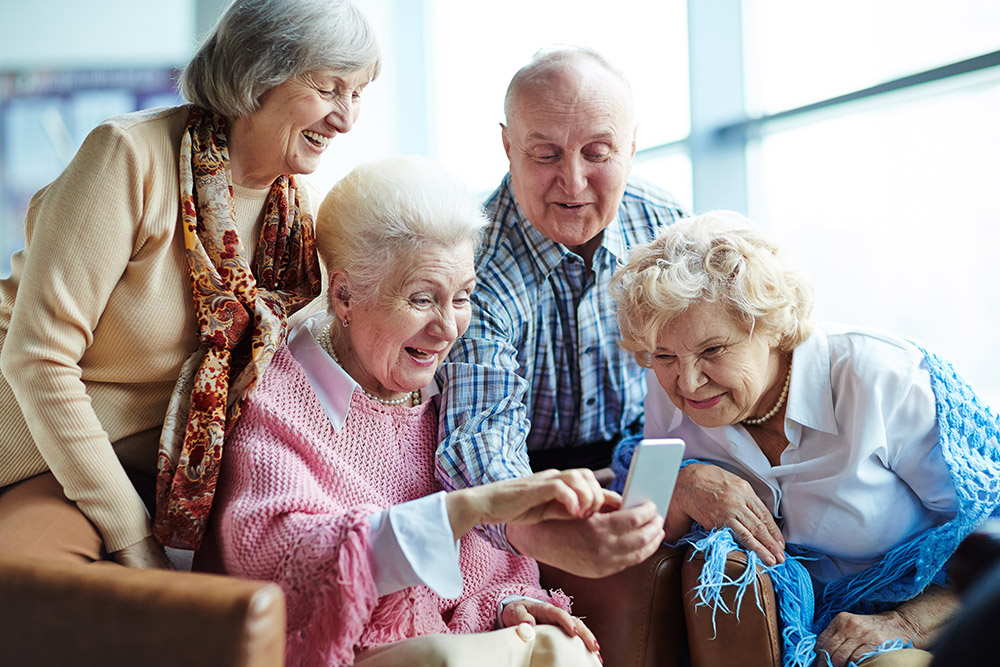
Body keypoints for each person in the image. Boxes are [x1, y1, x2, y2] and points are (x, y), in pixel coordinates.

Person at [0, 0, 380, 568]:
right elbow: (37, 359)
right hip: (35, 451)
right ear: (258, 75)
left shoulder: (298, 219)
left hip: (159, 475)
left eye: (358, 94)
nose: (346, 119)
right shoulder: (130, 158)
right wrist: (132, 536)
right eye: (329, 89)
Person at [214, 156, 606, 666]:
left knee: (561, 647)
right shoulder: (277, 396)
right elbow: (276, 555)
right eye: (423, 299)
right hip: (349, 651)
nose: (449, 328)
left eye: (463, 297)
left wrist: (510, 601)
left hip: (456, 644)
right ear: (344, 295)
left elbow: (489, 564)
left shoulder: (450, 390)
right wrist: (464, 510)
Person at [609, 211, 1000, 667]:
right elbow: (638, 529)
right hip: (794, 637)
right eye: (663, 355)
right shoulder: (669, 390)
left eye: (713, 350)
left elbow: (993, 537)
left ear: (773, 325)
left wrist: (905, 624)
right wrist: (684, 484)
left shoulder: (880, 380)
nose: (689, 383)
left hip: (927, 622)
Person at [436, 45, 685, 577]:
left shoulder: (669, 227)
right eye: (545, 154)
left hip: (651, 458)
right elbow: (478, 436)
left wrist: (697, 469)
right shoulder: (468, 262)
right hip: (529, 480)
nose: (572, 182)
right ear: (507, 146)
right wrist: (537, 524)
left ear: (633, 146)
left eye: (597, 152)